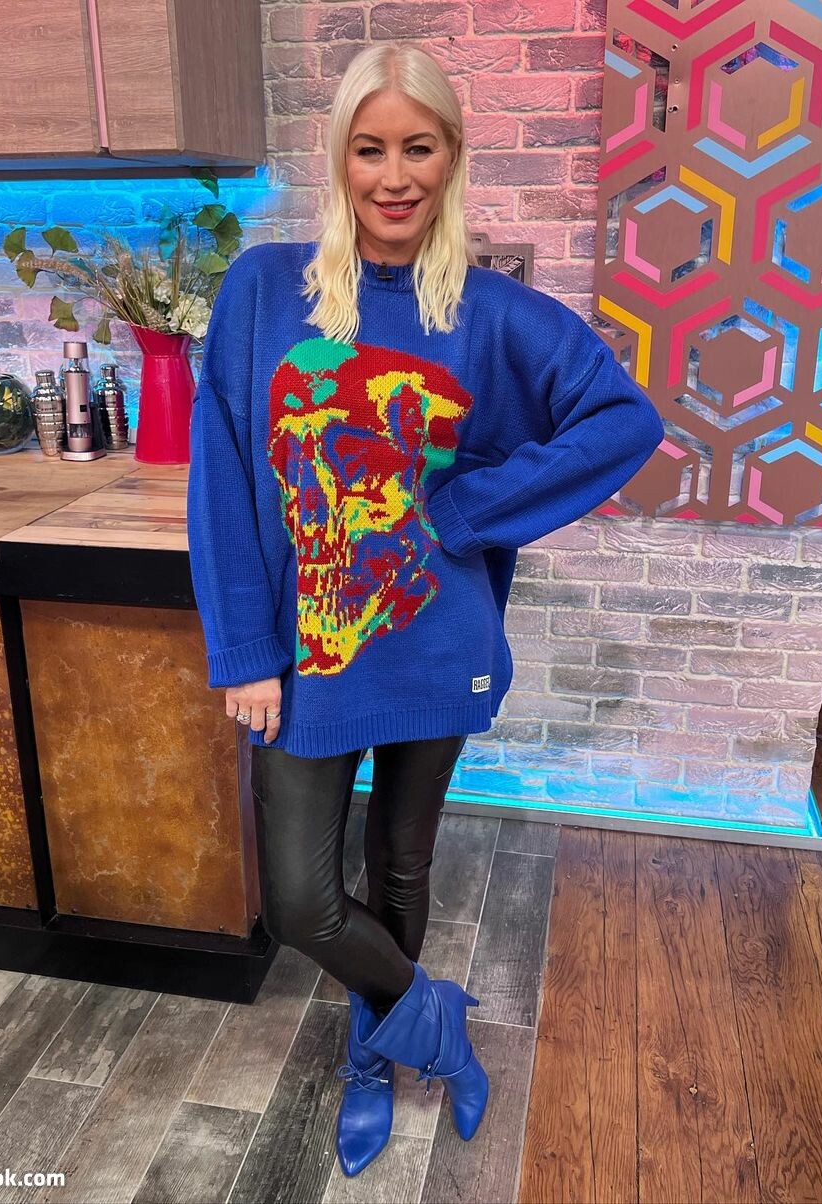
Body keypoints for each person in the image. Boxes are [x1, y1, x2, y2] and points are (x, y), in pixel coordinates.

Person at [186, 43, 665, 1178]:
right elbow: (223, 477)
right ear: (338, 157)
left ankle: (373, 1052)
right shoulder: (264, 292)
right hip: (303, 653)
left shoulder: (491, 315)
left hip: (434, 640)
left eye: (418, 148)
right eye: (370, 149)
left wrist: (463, 510)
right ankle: (431, 1019)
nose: (393, 176)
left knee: (402, 867)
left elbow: (624, 420)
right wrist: (244, 650)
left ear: (451, 158)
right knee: (301, 899)